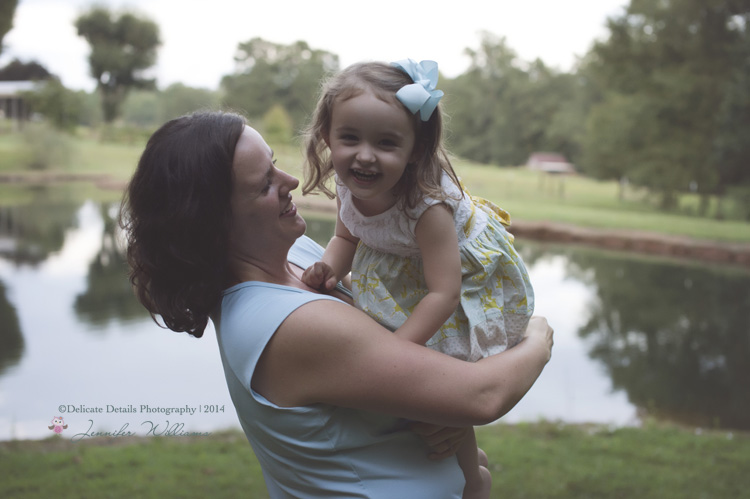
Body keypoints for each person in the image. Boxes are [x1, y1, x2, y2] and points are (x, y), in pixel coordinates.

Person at [119, 110, 553, 499]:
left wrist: (436, 409)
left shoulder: (300, 256)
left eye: (274, 161)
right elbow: (483, 394)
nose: (289, 181)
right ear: (215, 220)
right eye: (264, 184)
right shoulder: (285, 325)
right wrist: (537, 335)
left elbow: (387, 330)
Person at [301, 59, 535, 498]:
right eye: (349, 138)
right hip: (408, 279)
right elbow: (344, 238)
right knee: (405, 401)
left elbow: (444, 292)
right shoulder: (351, 187)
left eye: (387, 143)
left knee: (440, 396)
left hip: (455, 286)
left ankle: (473, 483)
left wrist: (394, 351)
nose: (365, 155)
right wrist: (329, 267)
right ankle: (452, 463)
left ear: (414, 150)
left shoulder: (426, 208)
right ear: (326, 136)